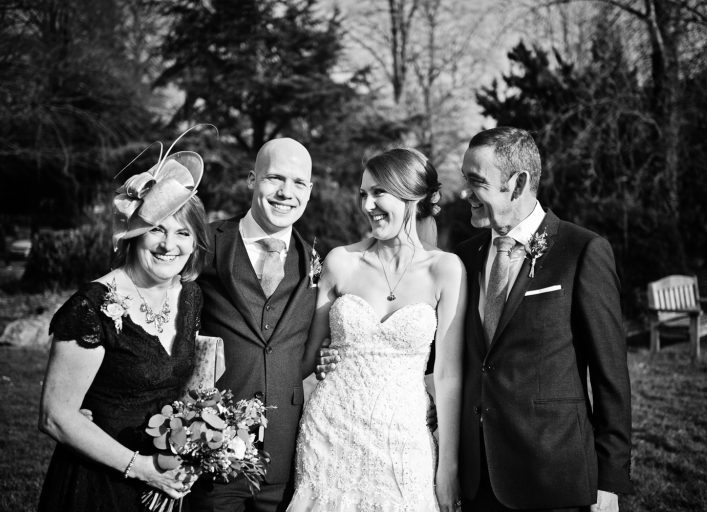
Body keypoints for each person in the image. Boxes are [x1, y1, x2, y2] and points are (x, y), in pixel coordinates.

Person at [455, 127, 633, 512]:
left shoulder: (581, 250)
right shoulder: (464, 257)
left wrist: (610, 479)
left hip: (554, 475)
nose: (464, 193)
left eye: (476, 182)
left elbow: (610, 376)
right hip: (477, 478)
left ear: (517, 185)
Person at [288, 148, 467, 511]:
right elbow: (305, 356)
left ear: (411, 197)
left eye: (378, 192)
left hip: (404, 442)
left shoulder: (445, 270)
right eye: (363, 194)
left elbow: (448, 376)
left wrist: (448, 467)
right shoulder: (341, 261)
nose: (367, 204)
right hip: (329, 433)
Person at [38, 145, 210, 512]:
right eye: (157, 230)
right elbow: (56, 416)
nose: (169, 245)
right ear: (135, 233)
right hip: (96, 484)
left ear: (195, 243)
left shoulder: (190, 296)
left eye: (183, 233)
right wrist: (141, 468)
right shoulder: (89, 308)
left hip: (160, 483)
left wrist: (196, 447)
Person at [191, 138, 318, 512]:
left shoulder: (315, 259)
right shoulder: (204, 243)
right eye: (275, 178)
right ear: (252, 179)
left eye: (298, 183)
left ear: (309, 191)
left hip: (283, 457)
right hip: (210, 448)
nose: (285, 193)